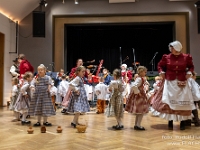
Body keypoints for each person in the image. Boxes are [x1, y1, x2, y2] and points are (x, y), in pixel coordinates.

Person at [152, 41, 195, 130]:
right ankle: (170, 121)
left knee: (182, 100)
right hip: (170, 82)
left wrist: (189, 72)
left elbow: (191, 66)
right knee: (169, 100)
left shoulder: (186, 57)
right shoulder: (166, 57)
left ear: (178, 48)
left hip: (182, 81)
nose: (171, 49)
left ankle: (182, 122)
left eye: (173, 48)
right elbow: (160, 65)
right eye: (170, 48)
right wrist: (161, 72)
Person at [125, 66, 149, 130]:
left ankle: (137, 124)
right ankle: (138, 125)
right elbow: (134, 86)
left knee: (139, 112)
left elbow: (140, 84)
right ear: (141, 72)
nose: (145, 73)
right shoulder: (139, 79)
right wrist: (138, 92)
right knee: (141, 111)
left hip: (140, 95)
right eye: (144, 72)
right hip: (139, 97)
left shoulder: (141, 78)